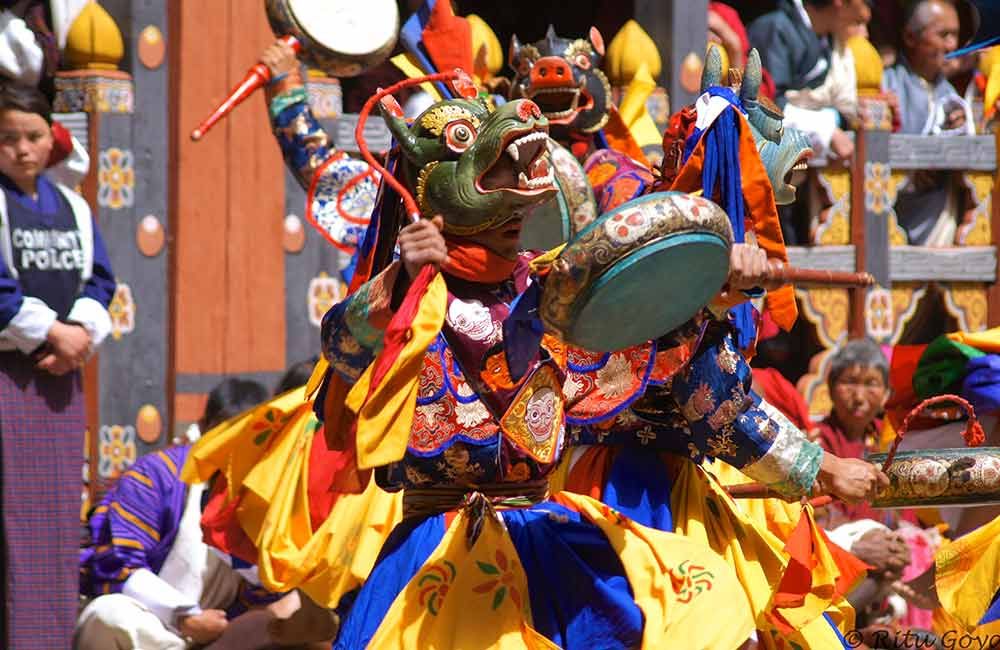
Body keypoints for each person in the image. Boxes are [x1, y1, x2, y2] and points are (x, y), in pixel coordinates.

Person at [76, 377, 333, 650]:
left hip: (220, 635)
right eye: (226, 435)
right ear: (204, 429)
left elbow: (266, 588)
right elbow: (119, 566)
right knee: (108, 614)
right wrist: (185, 616)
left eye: (246, 439)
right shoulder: (157, 475)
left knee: (291, 612)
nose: (233, 449)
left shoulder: (269, 487)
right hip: (150, 626)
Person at [0, 81, 115, 650]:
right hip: (8, 375)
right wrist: (51, 330)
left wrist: (80, 335)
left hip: (59, 379)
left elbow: (101, 279)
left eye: (33, 136)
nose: (22, 149)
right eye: (8, 139)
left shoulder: (74, 205)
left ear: (52, 141)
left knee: (50, 520)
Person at [884, 0, 971, 246]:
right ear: (911, 37)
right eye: (944, 35)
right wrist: (914, 168)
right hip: (894, 215)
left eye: (955, 35)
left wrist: (963, 129)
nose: (952, 45)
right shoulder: (887, 84)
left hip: (941, 210)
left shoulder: (951, 94)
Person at [748, 0, 872, 161]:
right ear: (839, 3)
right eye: (859, 22)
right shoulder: (776, 28)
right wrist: (825, 130)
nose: (865, 13)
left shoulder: (828, 39)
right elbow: (765, 105)